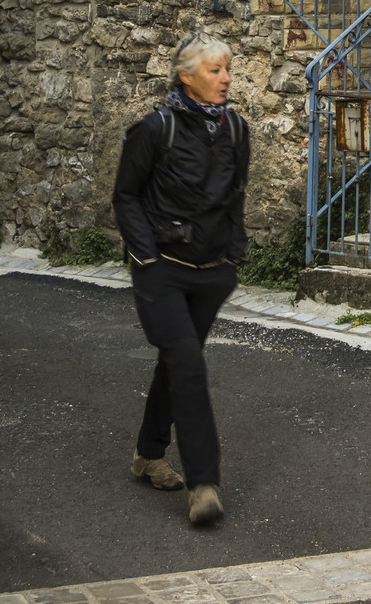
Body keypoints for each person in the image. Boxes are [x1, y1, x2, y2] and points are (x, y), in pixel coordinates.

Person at [112, 33, 251, 527]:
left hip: (211, 273)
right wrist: (146, 256)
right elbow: (126, 195)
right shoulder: (155, 128)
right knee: (188, 366)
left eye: (227, 69)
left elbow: (235, 194)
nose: (226, 78)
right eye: (215, 70)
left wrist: (233, 256)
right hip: (163, 272)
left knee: (177, 362)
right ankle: (203, 484)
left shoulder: (235, 129)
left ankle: (149, 454)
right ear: (187, 76)